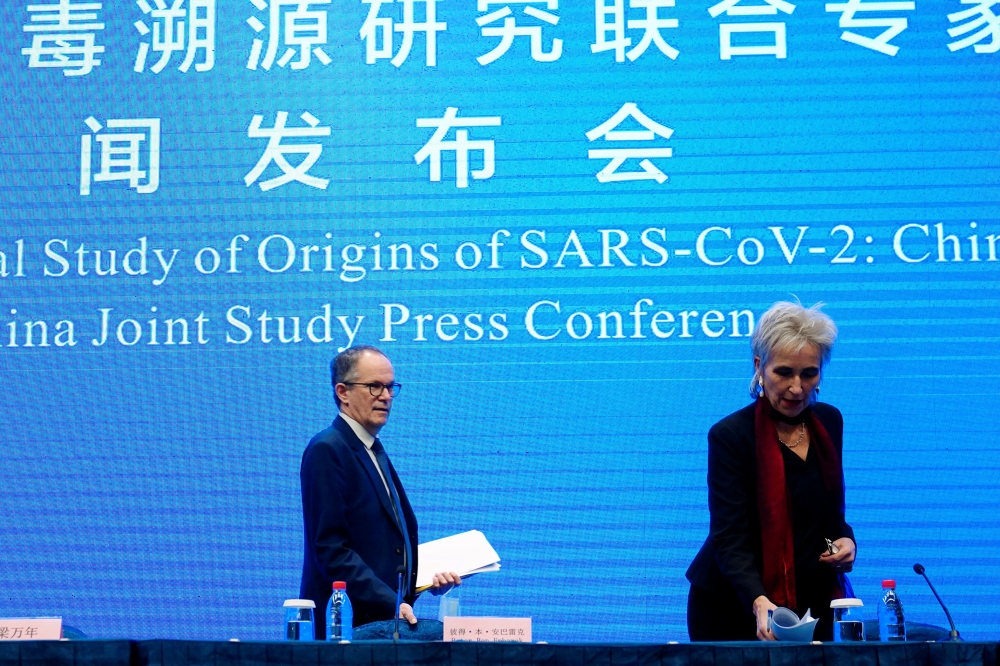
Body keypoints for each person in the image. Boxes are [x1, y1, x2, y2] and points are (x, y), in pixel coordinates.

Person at [685, 302, 856, 641]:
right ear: (760, 367)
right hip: (734, 602)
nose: (797, 388)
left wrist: (847, 539)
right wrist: (757, 599)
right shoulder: (731, 436)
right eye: (784, 372)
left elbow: (826, 513)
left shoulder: (829, 422)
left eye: (809, 373)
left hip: (809, 605)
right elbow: (729, 536)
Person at [299, 345, 459, 637]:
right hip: (347, 632)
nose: (386, 396)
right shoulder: (328, 448)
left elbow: (383, 550)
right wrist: (392, 603)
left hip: (382, 631)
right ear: (342, 392)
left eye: (389, 387)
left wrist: (422, 582)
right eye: (374, 386)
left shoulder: (372, 449)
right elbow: (331, 551)